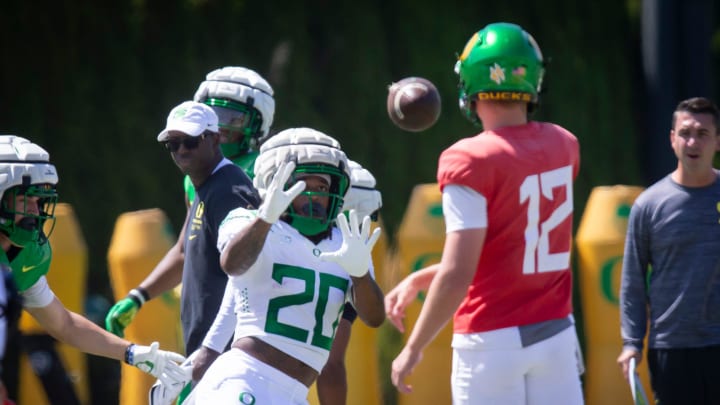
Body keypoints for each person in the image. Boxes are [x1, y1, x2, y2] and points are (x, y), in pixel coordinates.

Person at [389, 22, 584, 404]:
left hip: (492, 342)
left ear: (472, 82)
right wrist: (421, 279)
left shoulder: (468, 159)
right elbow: (516, 248)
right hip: (557, 336)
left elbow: (460, 272)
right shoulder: (564, 143)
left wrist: (413, 347)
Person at [190, 127, 385, 404]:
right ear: (274, 183)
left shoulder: (346, 243)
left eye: (323, 187)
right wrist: (265, 219)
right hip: (245, 379)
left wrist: (361, 273)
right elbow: (232, 265)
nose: (317, 196)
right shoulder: (248, 222)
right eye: (304, 185)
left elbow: (375, 318)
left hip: (294, 393)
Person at [0, 135, 190, 403]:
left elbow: (64, 324)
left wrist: (132, 352)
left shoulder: (19, 258)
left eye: (39, 201)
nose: (36, 211)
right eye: (25, 200)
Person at [104, 100, 261, 360]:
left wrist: (211, 353)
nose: (181, 151)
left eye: (190, 141)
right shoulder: (204, 184)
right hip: (207, 349)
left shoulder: (228, 190)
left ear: (214, 138)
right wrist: (139, 296)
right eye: (173, 144)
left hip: (226, 353)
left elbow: (243, 270)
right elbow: (184, 251)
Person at [617, 96, 720, 404]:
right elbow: (633, 282)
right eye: (686, 132)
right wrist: (631, 342)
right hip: (672, 350)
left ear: (717, 141)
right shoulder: (649, 206)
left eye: (703, 134)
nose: (693, 141)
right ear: (672, 139)